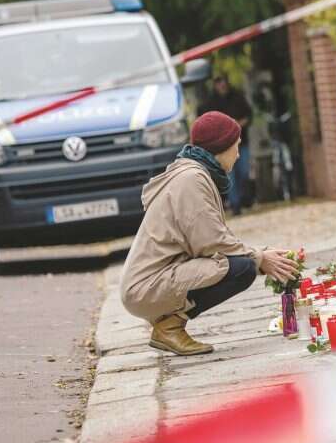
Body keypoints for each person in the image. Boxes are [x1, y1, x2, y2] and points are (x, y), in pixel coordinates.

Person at [120, 111, 299, 356]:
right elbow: (211, 243)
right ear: (221, 147)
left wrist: (261, 254)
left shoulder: (194, 173)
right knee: (242, 269)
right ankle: (169, 328)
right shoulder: (192, 179)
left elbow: (213, 237)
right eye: (236, 146)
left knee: (243, 262)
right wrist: (259, 258)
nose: (238, 153)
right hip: (147, 288)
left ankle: (168, 324)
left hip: (150, 282)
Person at [198, 76, 253, 214]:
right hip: (223, 146)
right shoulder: (210, 103)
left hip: (241, 142)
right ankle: (236, 204)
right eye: (218, 82)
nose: (221, 84)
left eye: (223, 81)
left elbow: (248, 115)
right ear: (215, 85)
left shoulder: (238, 97)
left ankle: (241, 197)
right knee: (231, 175)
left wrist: (238, 126)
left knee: (244, 172)